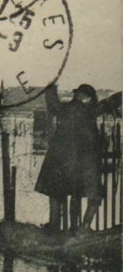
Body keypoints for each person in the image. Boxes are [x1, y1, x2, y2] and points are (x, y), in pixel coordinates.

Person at [35, 84, 104, 230]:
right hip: (80, 161)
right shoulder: (89, 111)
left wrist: (50, 88)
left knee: (56, 192)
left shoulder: (64, 109)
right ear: (86, 98)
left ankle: (54, 226)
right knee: (79, 194)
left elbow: (52, 105)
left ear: (77, 95)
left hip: (58, 160)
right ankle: (80, 228)